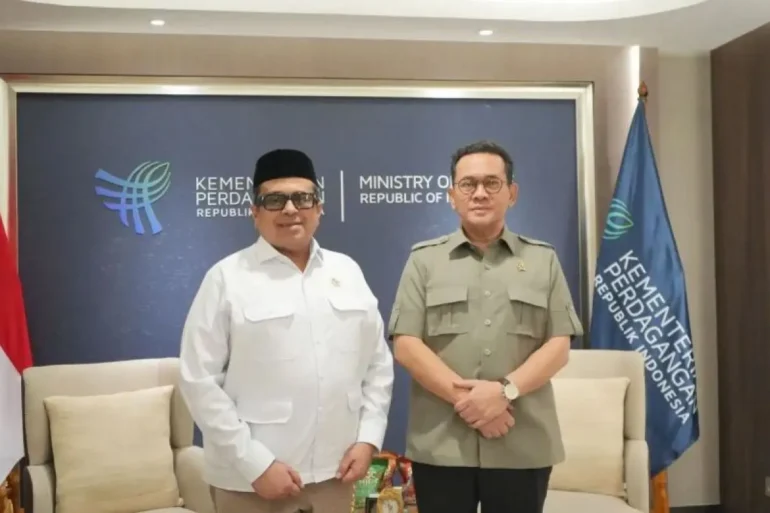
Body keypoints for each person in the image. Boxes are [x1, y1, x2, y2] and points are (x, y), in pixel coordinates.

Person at [178, 148, 394, 513]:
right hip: (252, 483)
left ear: (319, 208)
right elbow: (198, 379)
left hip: (336, 473)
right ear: (255, 212)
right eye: (275, 200)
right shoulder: (227, 278)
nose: (291, 209)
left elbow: (377, 366)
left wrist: (368, 439)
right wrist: (254, 464)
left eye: (302, 198)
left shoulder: (347, 271)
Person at [388, 140, 583, 513]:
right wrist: (472, 403)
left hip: (522, 443)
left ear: (512, 193)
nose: (479, 193)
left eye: (492, 183)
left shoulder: (542, 260)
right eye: (468, 184)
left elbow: (559, 345)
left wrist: (503, 393)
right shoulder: (424, 261)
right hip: (442, 445)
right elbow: (407, 345)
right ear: (452, 196)